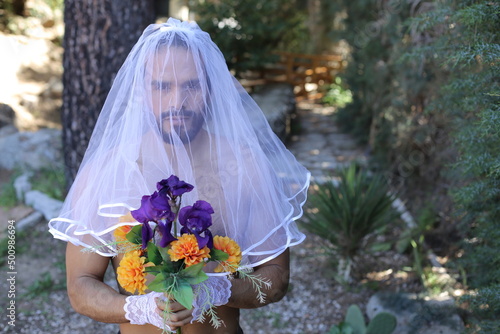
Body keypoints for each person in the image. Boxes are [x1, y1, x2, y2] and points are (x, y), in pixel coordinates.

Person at [49, 18, 310, 334]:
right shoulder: (109, 170)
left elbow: (276, 277)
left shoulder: (244, 164)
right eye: (161, 86)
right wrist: (139, 308)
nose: (177, 103)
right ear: (143, 89)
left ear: (210, 86)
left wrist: (217, 291)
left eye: (191, 85)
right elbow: (80, 285)